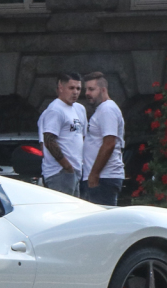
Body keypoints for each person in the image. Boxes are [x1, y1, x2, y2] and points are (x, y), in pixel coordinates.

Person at [37, 72, 86, 196]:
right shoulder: (55, 109)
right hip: (59, 172)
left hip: (76, 170)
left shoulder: (79, 109)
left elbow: (82, 137)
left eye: (78, 88)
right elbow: (48, 140)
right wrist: (67, 166)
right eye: (71, 88)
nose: (75, 92)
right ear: (61, 88)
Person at [81, 71, 126, 206]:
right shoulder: (102, 110)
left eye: (91, 89)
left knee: (103, 224)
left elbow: (109, 143)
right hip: (101, 177)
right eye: (86, 89)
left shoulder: (107, 109)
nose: (87, 93)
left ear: (103, 90)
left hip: (103, 178)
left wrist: (94, 174)